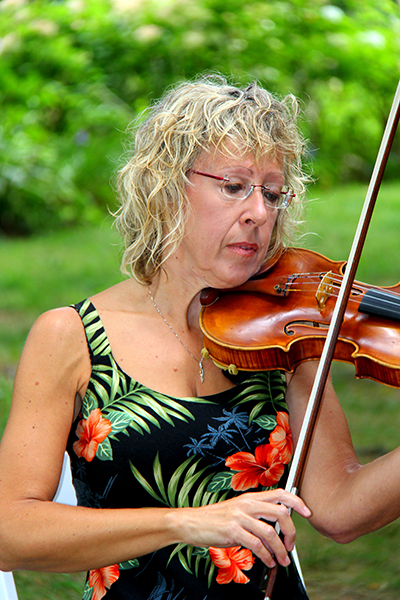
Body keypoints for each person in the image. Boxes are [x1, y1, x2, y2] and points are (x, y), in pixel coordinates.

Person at [0, 74, 400, 600]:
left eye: (273, 194)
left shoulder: (287, 337)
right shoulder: (71, 336)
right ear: (165, 187)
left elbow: (342, 509)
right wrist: (186, 522)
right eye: (233, 187)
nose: (259, 212)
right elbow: (11, 531)